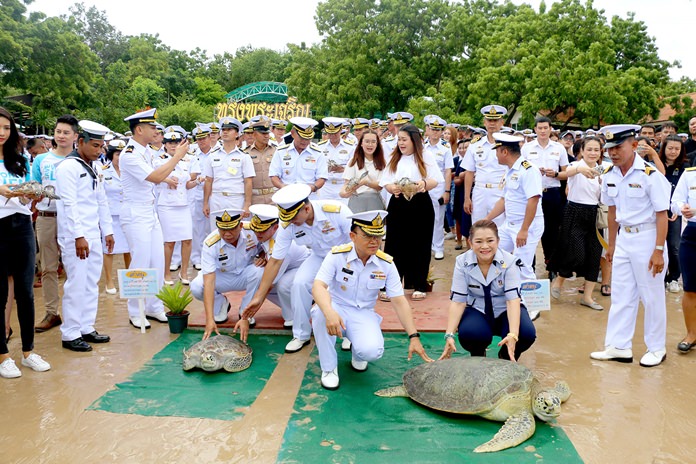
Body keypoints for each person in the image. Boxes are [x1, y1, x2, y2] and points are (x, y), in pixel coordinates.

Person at [311, 210, 432, 390]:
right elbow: (318, 286)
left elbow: (399, 301)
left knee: (371, 352)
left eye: (378, 236)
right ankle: (329, 369)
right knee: (320, 313)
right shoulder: (337, 255)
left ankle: (357, 353)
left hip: (363, 313)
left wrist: (413, 336)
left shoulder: (386, 264)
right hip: (337, 306)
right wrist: (329, 313)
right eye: (368, 236)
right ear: (352, 236)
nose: (374, 241)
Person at [590, 124, 671, 367]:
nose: (612, 153)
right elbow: (612, 209)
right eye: (609, 148)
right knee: (622, 294)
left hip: (648, 238)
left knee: (651, 295)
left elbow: (661, 214)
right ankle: (618, 346)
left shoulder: (650, 175)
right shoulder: (610, 174)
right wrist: (612, 245)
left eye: (618, 147)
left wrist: (658, 251)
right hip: (623, 238)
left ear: (634, 146)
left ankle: (657, 348)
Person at [241, 184, 353, 353]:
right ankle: (301, 335)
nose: (290, 222)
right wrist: (258, 297)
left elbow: (358, 241)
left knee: (344, 287)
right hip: (318, 256)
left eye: (293, 217)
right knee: (299, 283)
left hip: (346, 257)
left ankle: (349, 334)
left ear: (306, 208)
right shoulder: (289, 225)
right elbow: (275, 262)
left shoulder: (337, 211)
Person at [119, 108, 190, 328]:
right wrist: (177, 157)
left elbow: (162, 175)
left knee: (157, 261)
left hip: (149, 211)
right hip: (135, 213)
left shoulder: (147, 151)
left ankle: (153, 306)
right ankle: (136, 311)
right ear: (139, 130)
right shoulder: (129, 154)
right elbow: (155, 177)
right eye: (152, 127)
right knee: (140, 261)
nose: (155, 131)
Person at [0, 107, 51, 378]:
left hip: (21, 227)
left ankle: (29, 352)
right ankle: (3, 356)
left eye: (6, 128)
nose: (1, 133)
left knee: (26, 293)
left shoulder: (20, 159)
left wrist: (28, 196)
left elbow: (27, 188)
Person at [439, 220, 536, 361]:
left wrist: (513, 334)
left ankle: (506, 356)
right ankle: (478, 356)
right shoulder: (462, 262)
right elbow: (458, 301)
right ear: (470, 243)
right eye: (478, 241)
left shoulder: (510, 262)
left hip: (505, 310)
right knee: (471, 334)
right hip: (477, 310)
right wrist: (449, 334)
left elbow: (512, 300)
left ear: (498, 241)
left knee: (525, 333)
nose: (485, 246)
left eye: (490, 240)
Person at [55, 120, 114, 352]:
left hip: (93, 233)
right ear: (81, 142)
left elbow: (101, 201)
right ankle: (70, 333)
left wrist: (107, 230)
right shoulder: (68, 168)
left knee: (91, 282)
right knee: (76, 284)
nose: (100, 151)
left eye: (102, 147)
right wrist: (78, 236)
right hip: (75, 236)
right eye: (96, 146)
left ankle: (86, 327)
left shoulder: (94, 166)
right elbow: (69, 205)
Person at [484, 133, 544, 321]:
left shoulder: (528, 170)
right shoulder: (510, 171)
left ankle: (533, 305)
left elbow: (533, 200)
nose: (496, 156)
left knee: (523, 264)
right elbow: (504, 199)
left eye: (497, 152)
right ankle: (505, 293)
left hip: (527, 225)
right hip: (509, 224)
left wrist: (524, 229)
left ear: (504, 151)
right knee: (495, 252)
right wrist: (487, 220)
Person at [380, 124, 444, 301]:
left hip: (420, 203)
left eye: (404, 139)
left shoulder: (425, 156)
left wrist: (423, 184)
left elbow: (436, 180)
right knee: (394, 244)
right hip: (398, 203)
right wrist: (391, 187)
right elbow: (385, 180)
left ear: (413, 140)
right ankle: (391, 285)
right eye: (399, 139)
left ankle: (419, 285)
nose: (400, 143)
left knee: (420, 244)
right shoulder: (394, 158)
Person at [32, 114, 80, 332]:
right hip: (47, 218)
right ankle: (52, 313)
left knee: (74, 266)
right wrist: (34, 193)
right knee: (48, 268)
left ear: (75, 136)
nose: (61, 136)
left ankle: (76, 313)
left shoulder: (79, 160)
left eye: (66, 132)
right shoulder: (42, 160)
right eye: (58, 131)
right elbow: (34, 186)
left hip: (71, 220)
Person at [548, 137, 608, 310]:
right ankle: (560, 279)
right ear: (581, 150)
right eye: (589, 149)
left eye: (596, 149)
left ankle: (587, 297)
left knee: (594, 255)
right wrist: (581, 168)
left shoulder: (604, 169)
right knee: (576, 252)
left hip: (595, 215)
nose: (593, 153)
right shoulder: (575, 166)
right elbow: (568, 172)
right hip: (574, 212)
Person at [234, 204, 310, 334]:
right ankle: (293, 311)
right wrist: (262, 255)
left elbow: (269, 282)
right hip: (287, 268)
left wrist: (247, 314)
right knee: (264, 280)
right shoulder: (266, 233)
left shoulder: (282, 244)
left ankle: (298, 314)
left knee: (280, 284)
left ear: (275, 227)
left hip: (303, 269)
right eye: (255, 229)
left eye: (262, 230)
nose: (257, 233)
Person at [196, 209, 264, 339]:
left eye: (232, 229)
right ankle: (221, 304)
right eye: (222, 230)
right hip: (222, 277)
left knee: (260, 271)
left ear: (240, 225)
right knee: (197, 286)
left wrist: (262, 256)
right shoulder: (210, 243)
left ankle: (246, 312)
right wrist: (209, 319)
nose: (227, 234)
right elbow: (209, 280)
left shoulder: (253, 231)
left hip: (245, 273)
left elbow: (264, 247)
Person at [521, 116, 569, 276]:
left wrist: (555, 174)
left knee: (552, 232)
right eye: (539, 128)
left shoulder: (559, 148)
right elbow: (520, 170)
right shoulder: (527, 148)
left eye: (545, 128)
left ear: (550, 129)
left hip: (552, 194)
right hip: (532, 194)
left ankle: (551, 266)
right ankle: (529, 266)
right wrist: (534, 172)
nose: (542, 131)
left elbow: (566, 173)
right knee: (529, 229)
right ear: (535, 129)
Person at [202, 116, 254, 230]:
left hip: (235, 199)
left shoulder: (244, 157)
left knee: (237, 232)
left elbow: (248, 182)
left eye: (229, 130)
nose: (225, 132)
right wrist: (205, 202)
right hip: (216, 199)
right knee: (216, 232)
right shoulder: (212, 156)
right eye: (224, 130)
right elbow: (208, 180)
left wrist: (247, 204)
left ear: (237, 134)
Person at [157, 131, 194, 285]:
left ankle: (184, 272)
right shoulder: (159, 160)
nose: (173, 145)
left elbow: (187, 184)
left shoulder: (186, 161)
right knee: (169, 241)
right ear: (164, 144)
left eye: (176, 142)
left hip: (183, 205)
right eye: (169, 142)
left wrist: (197, 181)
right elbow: (155, 177)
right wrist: (167, 180)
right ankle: (166, 273)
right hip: (167, 205)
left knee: (187, 239)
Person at [463, 105, 508, 228]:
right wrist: (467, 198)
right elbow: (469, 172)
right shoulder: (475, 145)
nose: (492, 124)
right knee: (478, 226)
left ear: (501, 122)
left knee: (499, 228)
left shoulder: (508, 145)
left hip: (500, 191)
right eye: (489, 120)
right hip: (480, 191)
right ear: (484, 122)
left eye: (495, 120)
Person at [100, 140, 131, 294]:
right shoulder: (103, 172)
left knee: (129, 249)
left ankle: (130, 280)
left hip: (127, 214)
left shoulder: (130, 170)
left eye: (122, 154)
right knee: (109, 249)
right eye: (117, 154)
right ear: (111, 155)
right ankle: (109, 281)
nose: (120, 157)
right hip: (110, 216)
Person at [269, 117, 328, 198]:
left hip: (309, 197)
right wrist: (282, 186)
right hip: (286, 196)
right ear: (293, 133)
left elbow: (322, 177)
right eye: (302, 137)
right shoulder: (281, 151)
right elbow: (274, 175)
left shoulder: (317, 153)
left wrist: (313, 188)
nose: (304, 141)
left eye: (308, 138)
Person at [671, 164, 696, 352]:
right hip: (692, 233)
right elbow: (674, 201)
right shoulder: (689, 174)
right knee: (690, 288)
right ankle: (692, 334)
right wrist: (682, 207)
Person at [659, 135, 688, 293]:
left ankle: (674, 278)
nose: (673, 151)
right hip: (658, 211)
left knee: (674, 246)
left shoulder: (685, 167)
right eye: (670, 148)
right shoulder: (656, 164)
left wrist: (678, 208)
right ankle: (660, 278)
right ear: (664, 148)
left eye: (677, 149)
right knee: (658, 245)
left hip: (674, 212)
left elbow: (686, 191)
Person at [423, 116, 453, 260]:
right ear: (428, 129)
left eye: (438, 130)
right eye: (433, 129)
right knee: (422, 217)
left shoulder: (446, 148)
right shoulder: (422, 146)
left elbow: (448, 171)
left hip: (439, 186)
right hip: (423, 185)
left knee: (438, 218)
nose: (435, 132)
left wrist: (447, 191)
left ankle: (438, 247)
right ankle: (426, 245)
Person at [339, 129, 385, 212]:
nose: (370, 145)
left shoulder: (382, 162)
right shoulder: (353, 161)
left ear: (377, 144)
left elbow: (380, 185)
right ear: (361, 143)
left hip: (375, 202)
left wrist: (364, 182)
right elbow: (347, 183)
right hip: (356, 201)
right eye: (367, 141)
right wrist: (343, 192)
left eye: (373, 142)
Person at [188, 123, 214, 270]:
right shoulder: (192, 155)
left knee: (212, 228)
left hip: (214, 195)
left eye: (204, 138)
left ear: (210, 137)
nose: (201, 141)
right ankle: (197, 257)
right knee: (197, 228)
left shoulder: (217, 153)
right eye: (199, 139)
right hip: (197, 194)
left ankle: (211, 256)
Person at [318, 117, 356, 202]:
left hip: (342, 185)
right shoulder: (320, 147)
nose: (332, 136)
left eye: (335, 133)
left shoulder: (350, 147)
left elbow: (355, 168)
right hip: (325, 187)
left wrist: (343, 169)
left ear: (340, 131)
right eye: (330, 133)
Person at [247, 116, 279, 205]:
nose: (266, 136)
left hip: (273, 197)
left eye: (267, 133)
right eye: (262, 133)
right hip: (255, 198)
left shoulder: (276, 151)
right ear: (254, 134)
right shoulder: (246, 153)